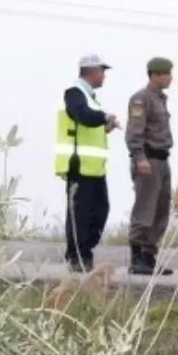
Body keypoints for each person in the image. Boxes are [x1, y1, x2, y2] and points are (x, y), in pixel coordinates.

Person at [57, 54, 119, 272]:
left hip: (93, 168)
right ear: (92, 72)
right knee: (80, 214)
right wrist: (104, 117)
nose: (104, 76)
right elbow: (83, 115)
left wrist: (104, 126)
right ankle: (77, 256)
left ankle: (84, 251)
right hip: (79, 165)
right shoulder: (74, 93)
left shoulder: (89, 96)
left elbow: (86, 126)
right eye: (102, 72)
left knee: (100, 210)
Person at [125, 56, 176, 275]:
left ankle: (149, 257)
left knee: (160, 209)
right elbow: (134, 132)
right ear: (155, 75)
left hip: (162, 159)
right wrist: (139, 157)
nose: (171, 78)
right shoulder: (141, 99)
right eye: (167, 73)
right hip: (148, 159)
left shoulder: (160, 99)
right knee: (144, 208)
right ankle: (137, 259)